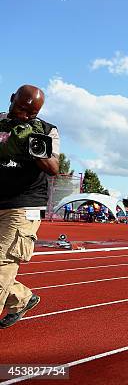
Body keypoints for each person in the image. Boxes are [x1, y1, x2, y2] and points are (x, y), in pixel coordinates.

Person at [0, 84, 60, 328]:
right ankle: (21, 298)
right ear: (12, 98)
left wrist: (34, 149)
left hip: (24, 205)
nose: (24, 116)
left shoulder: (46, 130)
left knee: (1, 261)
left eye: (31, 114)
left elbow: (54, 168)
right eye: (21, 109)